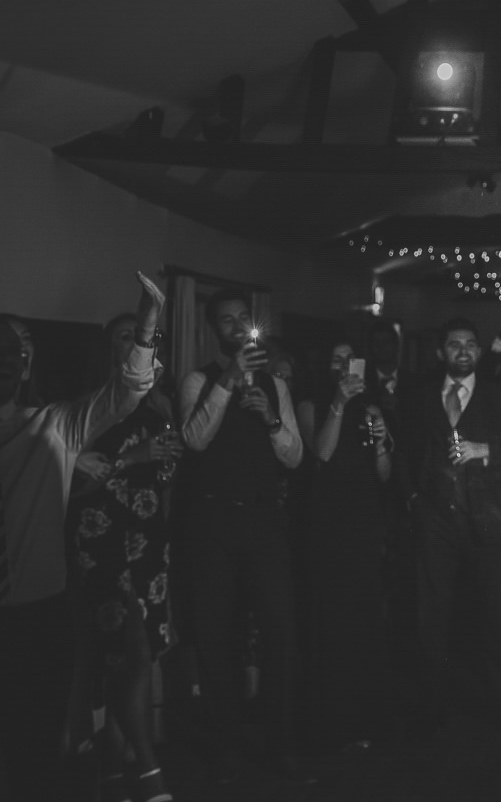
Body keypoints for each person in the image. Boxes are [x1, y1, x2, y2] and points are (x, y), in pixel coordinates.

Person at [1, 272, 163, 801]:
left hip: (36, 608)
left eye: (15, 351)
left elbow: (124, 393)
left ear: (25, 366)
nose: (7, 359)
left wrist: (145, 330)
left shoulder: (54, 424)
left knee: (36, 745)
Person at [175, 289, 306, 782]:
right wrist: (227, 385)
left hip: (264, 522)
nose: (236, 327)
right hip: (212, 524)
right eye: (226, 321)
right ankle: (225, 744)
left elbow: (294, 457)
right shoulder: (197, 380)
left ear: (253, 325)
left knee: (280, 631)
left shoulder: (275, 385)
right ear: (215, 330)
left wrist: (270, 419)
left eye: (242, 320)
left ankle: (279, 745)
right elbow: (193, 441)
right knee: (215, 635)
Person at [64, 311, 182, 802]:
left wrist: (165, 464)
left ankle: (110, 771)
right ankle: (149, 773)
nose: (135, 343)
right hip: (102, 537)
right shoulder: (88, 408)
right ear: (110, 349)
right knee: (127, 650)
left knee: (136, 657)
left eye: (141, 337)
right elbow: (78, 481)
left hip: (149, 538)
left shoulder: (160, 404)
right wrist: (136, 457)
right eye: (125, 337)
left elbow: (167, 474)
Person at [400, 317, 501, 736]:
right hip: (436, 521)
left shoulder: (500, 395)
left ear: (478, 352)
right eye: (454, 344)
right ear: (442, 352)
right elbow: (406, 451)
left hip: (492, 521)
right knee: (431, 615)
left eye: (470, 344)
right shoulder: (419, 396)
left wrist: (487, 450)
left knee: (498, 615)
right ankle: (431, 708)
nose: (463, 350)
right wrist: (414, 500)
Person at [293, 339, 393, 753]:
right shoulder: (310, 404)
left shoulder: (372, 409)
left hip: (365, 523)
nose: (342, 366)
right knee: (331, 623)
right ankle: (329, 722)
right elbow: (322, 453)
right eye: (335, 359)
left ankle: (363, 718)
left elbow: (384, 475)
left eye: (348, 359)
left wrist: (384, 441)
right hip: (328, 525)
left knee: (365, 621)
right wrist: (337, 402)